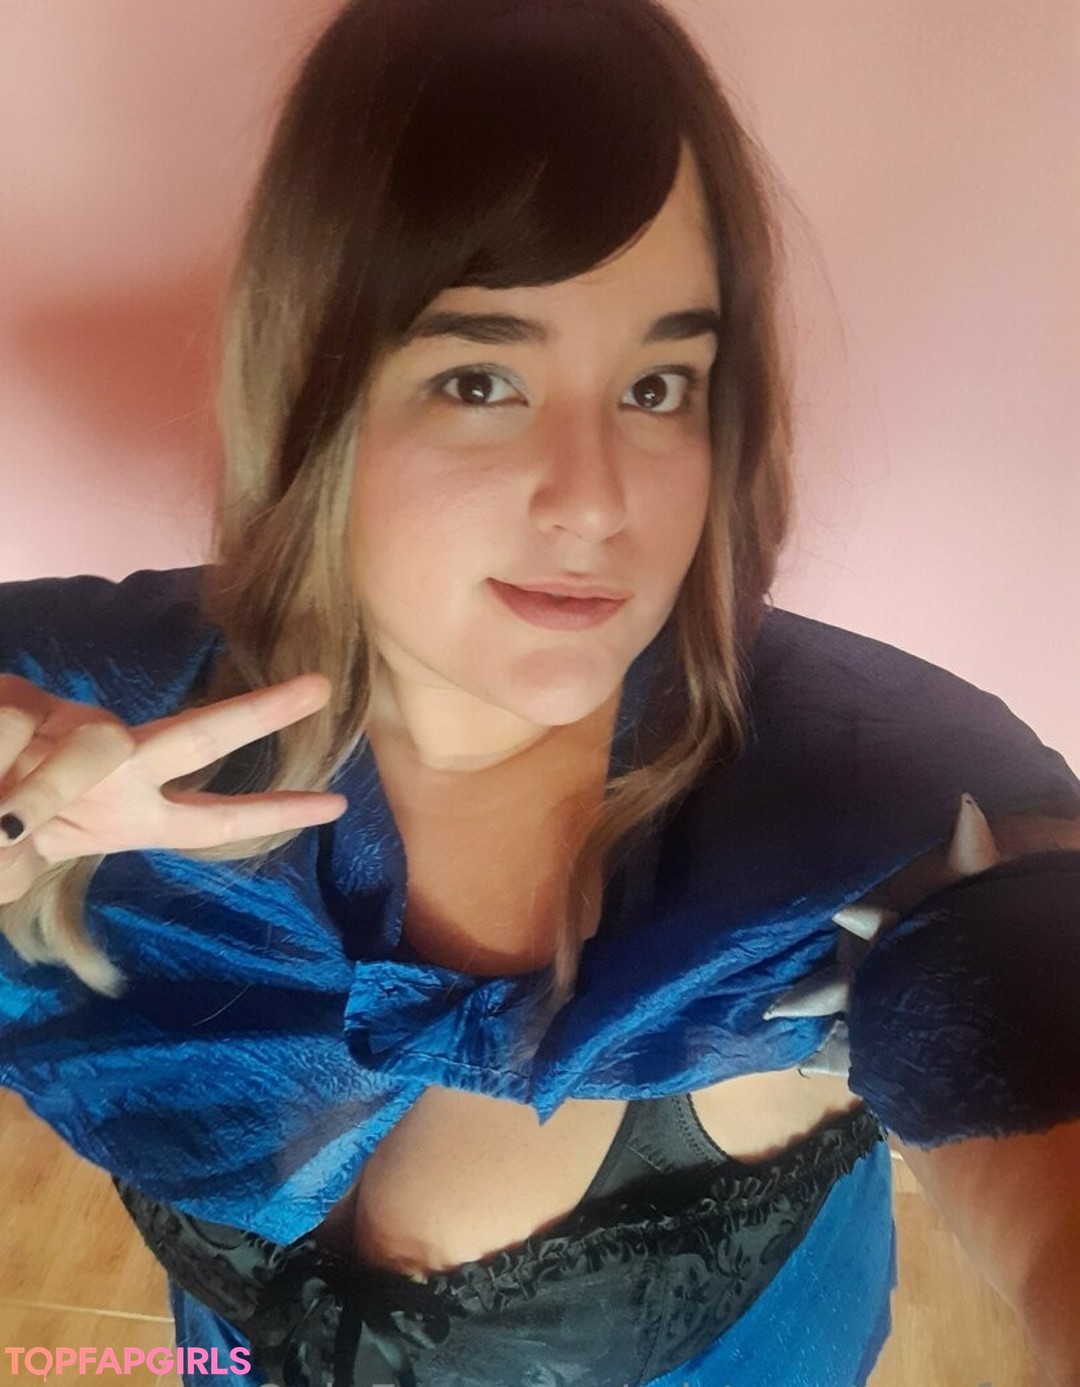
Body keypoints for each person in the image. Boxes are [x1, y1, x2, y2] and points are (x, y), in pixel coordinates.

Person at [0, 2, 1077, 1384]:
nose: (595, 499)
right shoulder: (117, 704)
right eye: (482, 378)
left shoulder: (870, 792)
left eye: (660, 384)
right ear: (318, 388)